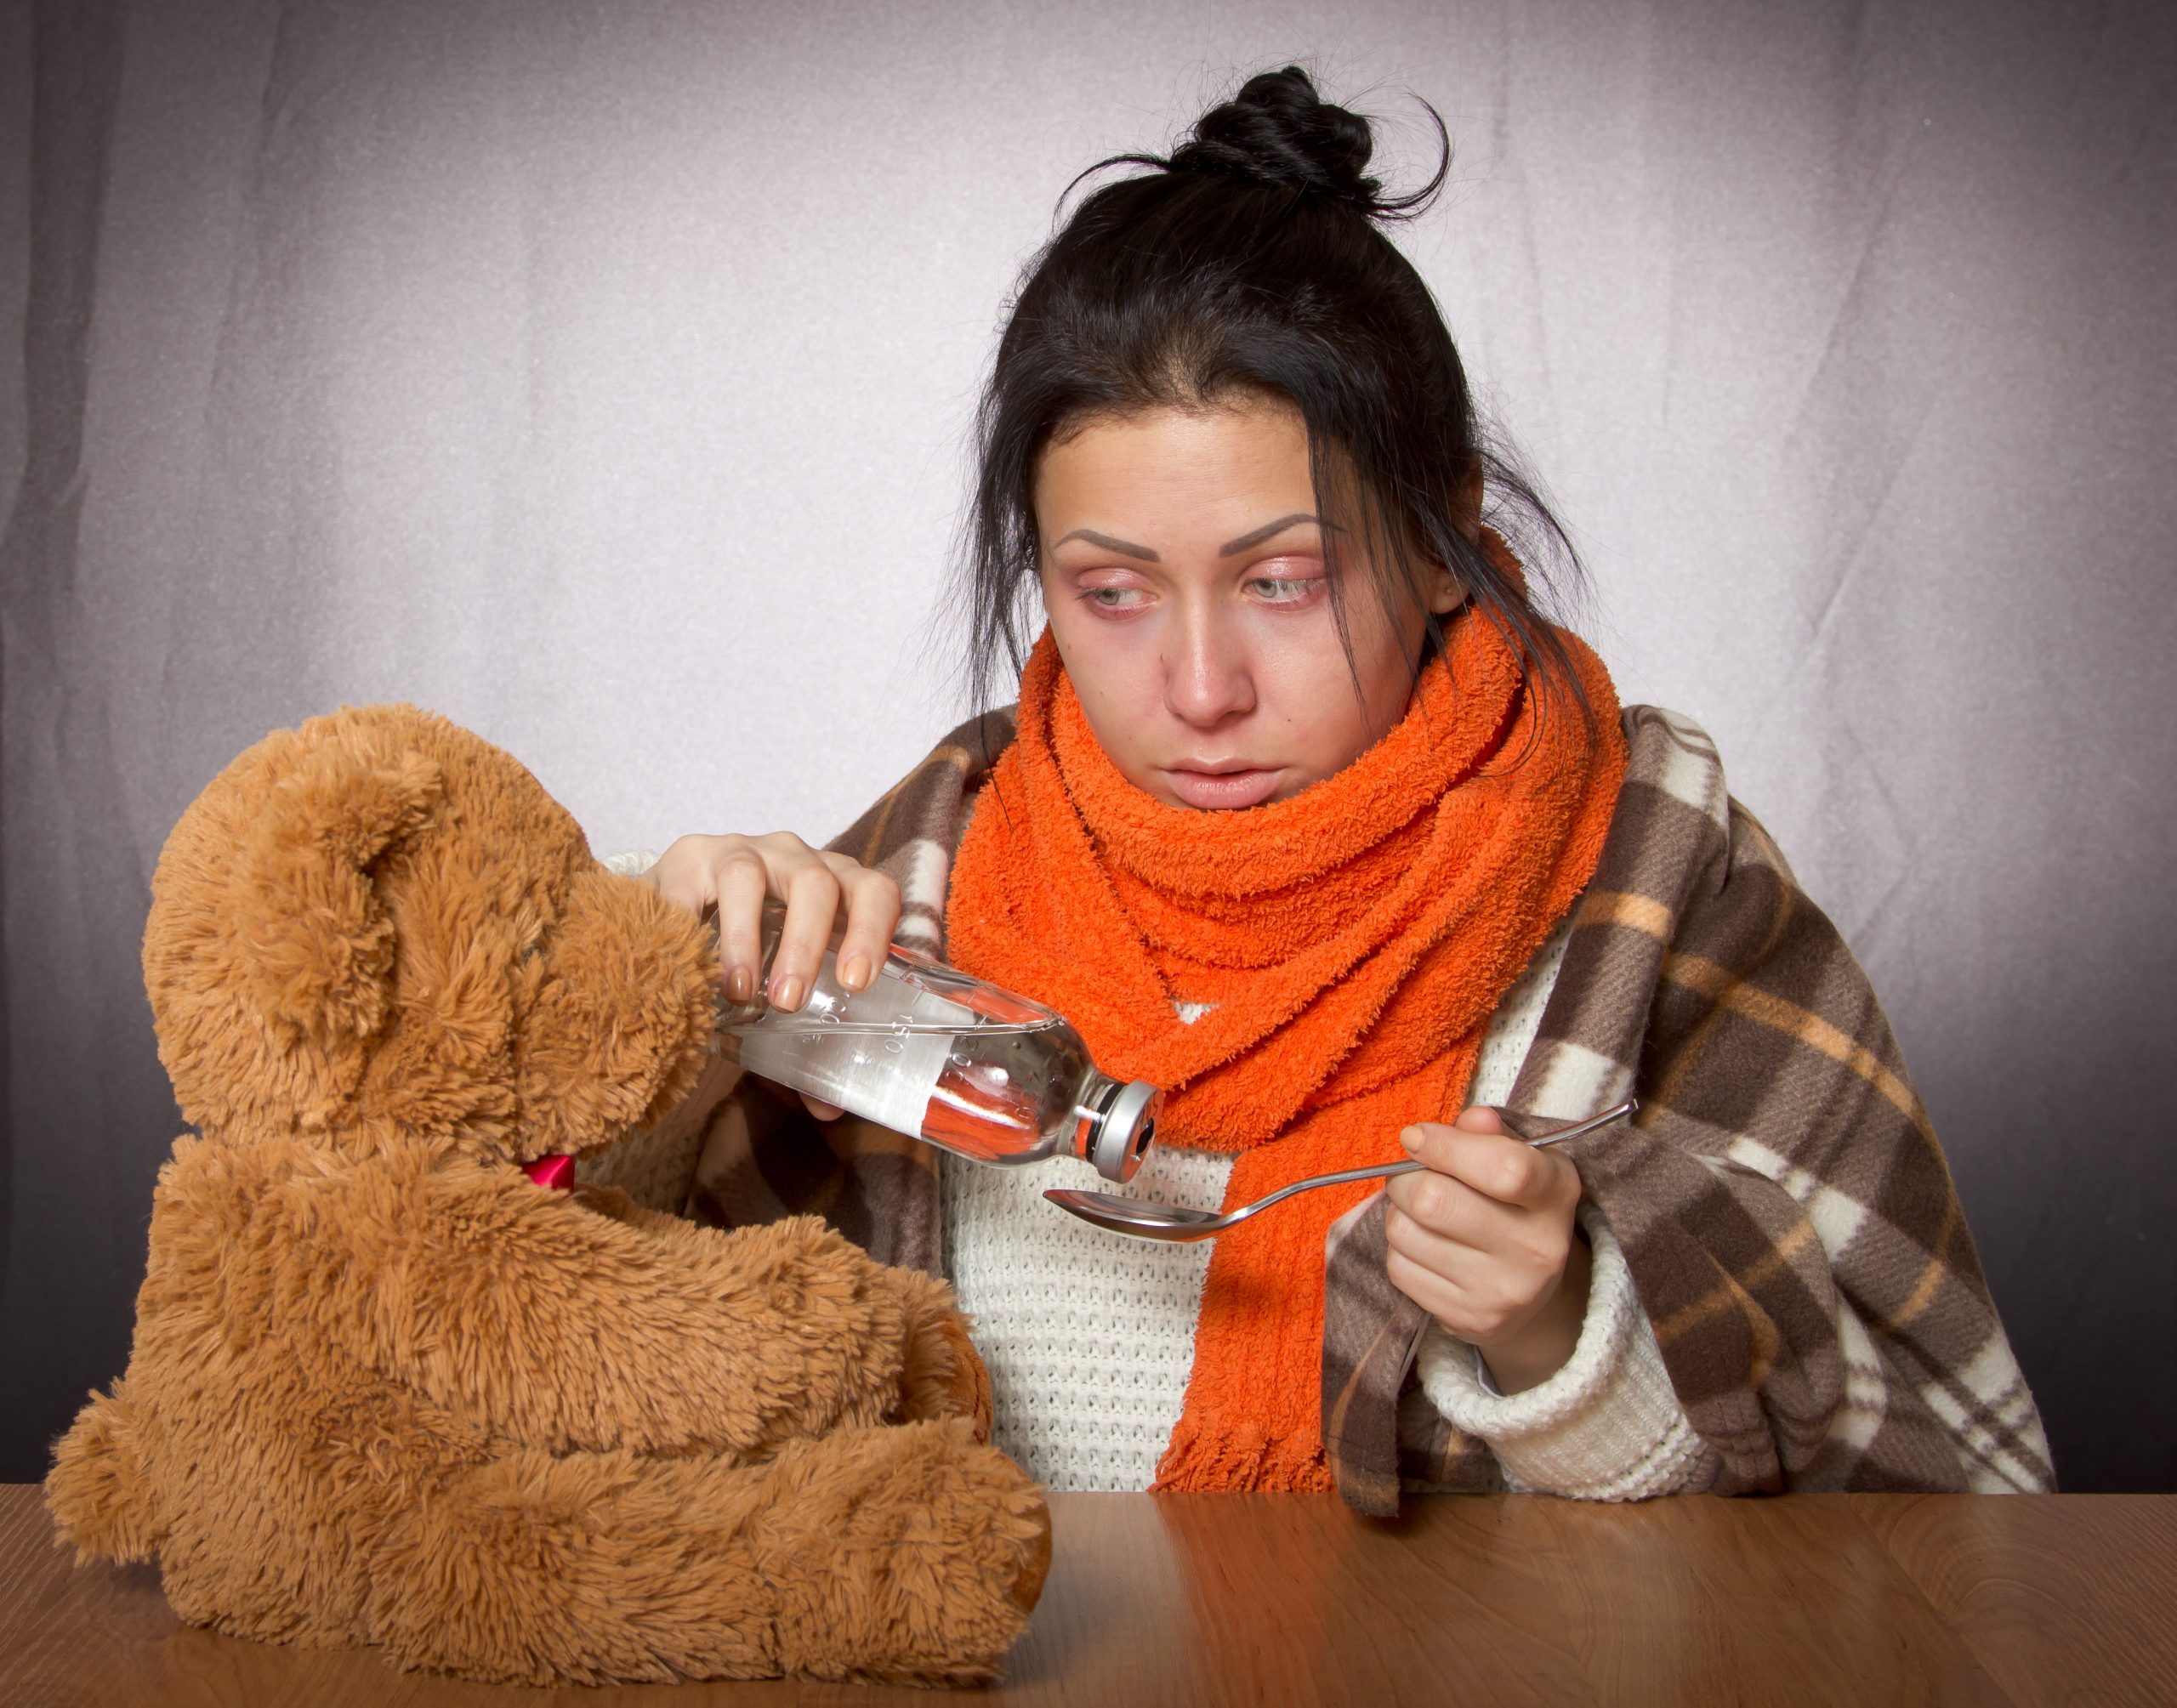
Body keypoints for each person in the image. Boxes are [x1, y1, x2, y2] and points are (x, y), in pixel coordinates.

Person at [633, 67, 2052, 1507]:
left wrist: (1574, 1338)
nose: (1201, 688)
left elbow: (1958, 1497)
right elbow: (553, 1377)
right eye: (1112, 592)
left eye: (1287, 580)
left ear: (1445, 542)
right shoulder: (931, 863)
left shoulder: (1658, 888)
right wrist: (654, 1033)